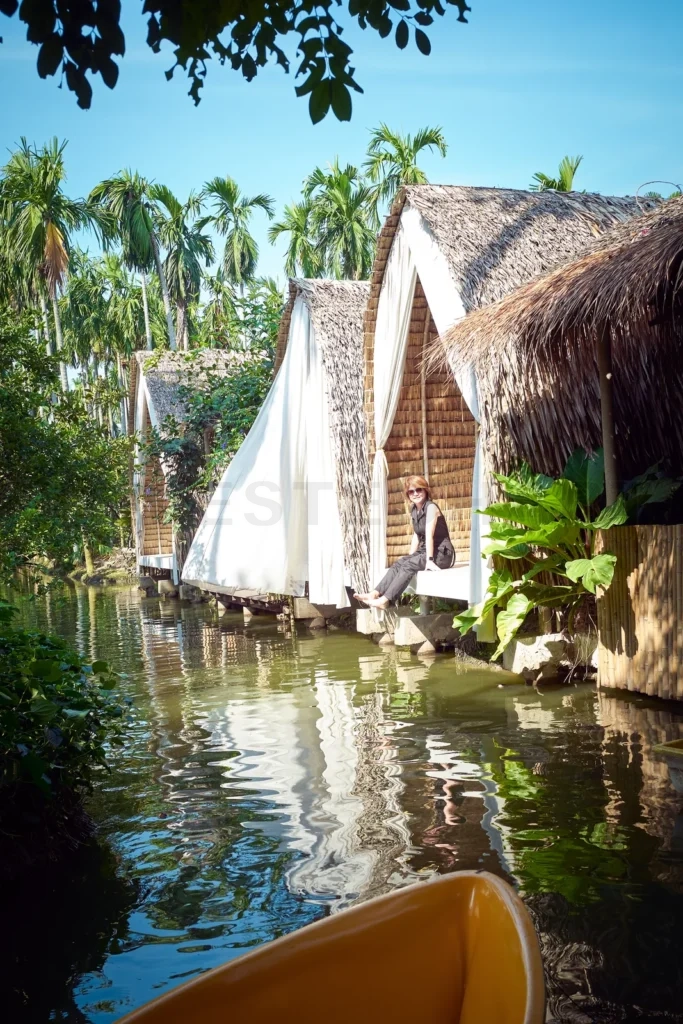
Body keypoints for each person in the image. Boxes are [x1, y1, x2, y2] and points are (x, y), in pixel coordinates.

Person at [355, 475, 455, 609]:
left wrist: (430, 560)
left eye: (419, 489)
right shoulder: (414, 510)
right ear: (408, 495)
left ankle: (385, 600)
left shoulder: (431, 507)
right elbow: (416, 535)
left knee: (409, 565)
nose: (415, 494)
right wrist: (409, 556)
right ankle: (374, 594)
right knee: (400, 563)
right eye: (411, 491)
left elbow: (429, 535)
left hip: (442, 554)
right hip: (425, 551)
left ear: (426, 490)